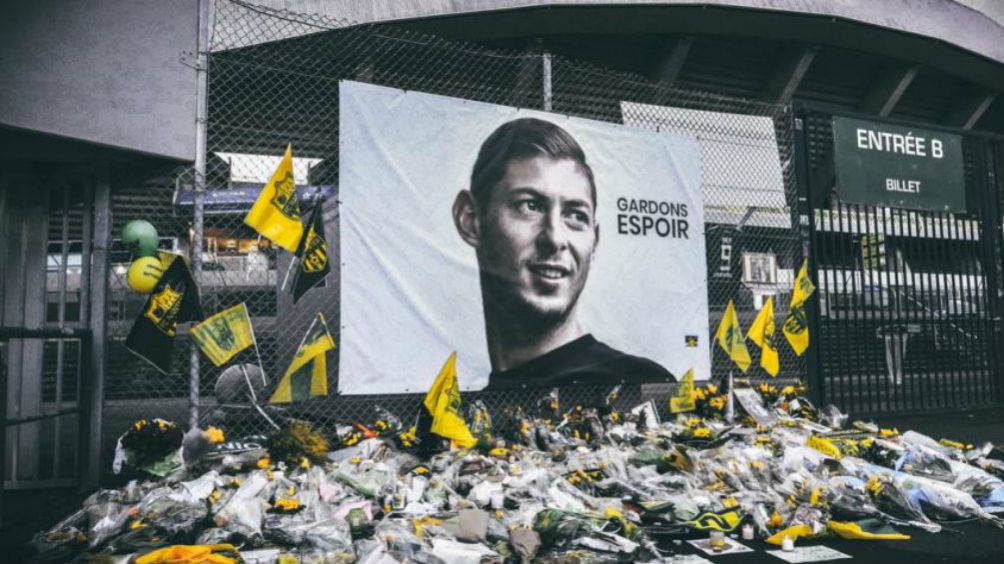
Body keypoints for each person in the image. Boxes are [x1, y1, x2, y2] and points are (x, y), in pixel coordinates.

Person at [451, 117, 675, 389]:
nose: (555, 238)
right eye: (529, 206)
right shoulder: (459, 403)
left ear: (595, 241)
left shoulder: (637, 381)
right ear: (470, 219)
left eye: (575, 215)